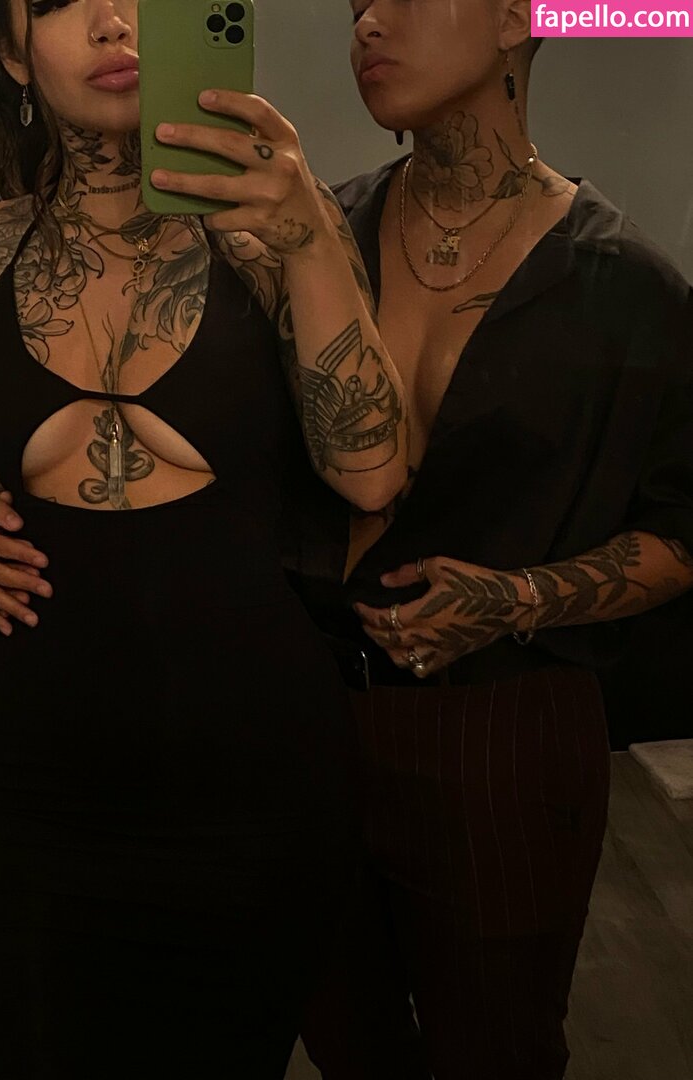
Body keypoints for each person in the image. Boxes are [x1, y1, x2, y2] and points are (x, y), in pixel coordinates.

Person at [0, 0, 408, 1076]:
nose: (111, 18)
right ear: (11, 53)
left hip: (246, 778)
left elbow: (371, 469)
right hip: (14, 781)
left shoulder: (280, 234)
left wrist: (307, 237)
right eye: (59, 0)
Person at [295, 2, 693, 1079]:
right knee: (345, 1042)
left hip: (504, 734)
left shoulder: (625, 284)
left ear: (517, 18)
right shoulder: (322, 240)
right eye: (356, 2)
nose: (368, 22)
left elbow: (682, 531)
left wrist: (517, 599)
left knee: (499, 1050)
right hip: (310, 715)